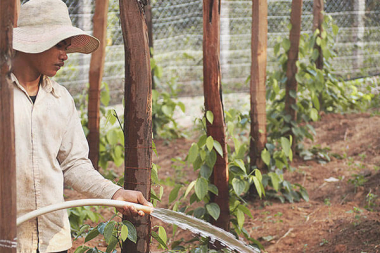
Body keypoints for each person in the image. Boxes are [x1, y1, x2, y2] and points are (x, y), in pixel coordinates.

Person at [11, 0, 152, 252]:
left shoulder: (60, 99)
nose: (64, 55)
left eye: (66, 47)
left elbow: (74, 164)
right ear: (31, 41)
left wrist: (115, 193)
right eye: (58, 45)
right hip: (9, 239)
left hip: (52, 239)